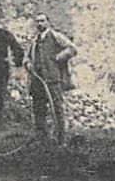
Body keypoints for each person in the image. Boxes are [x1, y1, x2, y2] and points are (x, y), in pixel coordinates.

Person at [24, 12, 78, 144]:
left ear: (48, 22)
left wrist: (58, 58)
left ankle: (61, 139)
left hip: (53, 79)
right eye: (37, 21)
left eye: (42, 21)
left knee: (57, 108)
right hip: (37, 80)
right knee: (39, 109)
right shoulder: (34, 41)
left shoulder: (56, 36)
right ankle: (41, 138)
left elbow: (72, 49)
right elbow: (26, 57)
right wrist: (28, 64)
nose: (40, 24)